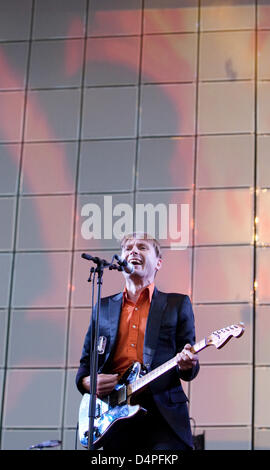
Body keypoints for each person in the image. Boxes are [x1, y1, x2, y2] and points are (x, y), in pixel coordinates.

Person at [76, 232, 199, 450]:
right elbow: (86, 364)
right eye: (128, 248)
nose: (133, 251)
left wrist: (189, 364)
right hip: (114, 414)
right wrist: (89, 382)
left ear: (158, 263)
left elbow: (188, 366)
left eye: (142, 247)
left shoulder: (177, 304)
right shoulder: (103, 307)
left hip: (163, 413)